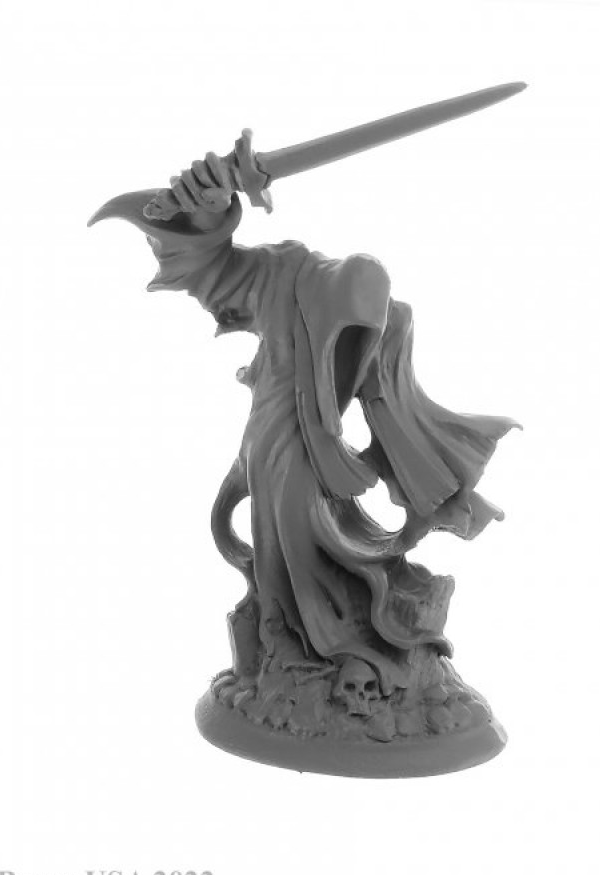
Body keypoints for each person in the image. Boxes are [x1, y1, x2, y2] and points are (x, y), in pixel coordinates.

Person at [90, 152, 519, 731]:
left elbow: (377, 392)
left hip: (306, 448)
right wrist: (209, 211)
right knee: (282, 549)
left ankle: (343, 650)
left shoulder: (379, 320)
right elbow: (207, 269)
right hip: (273, 438)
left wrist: (351, 439)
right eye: (344, 336)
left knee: (316, 546)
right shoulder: (280, 274)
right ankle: (290, 650)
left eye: (360, 338)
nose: (347, 354)